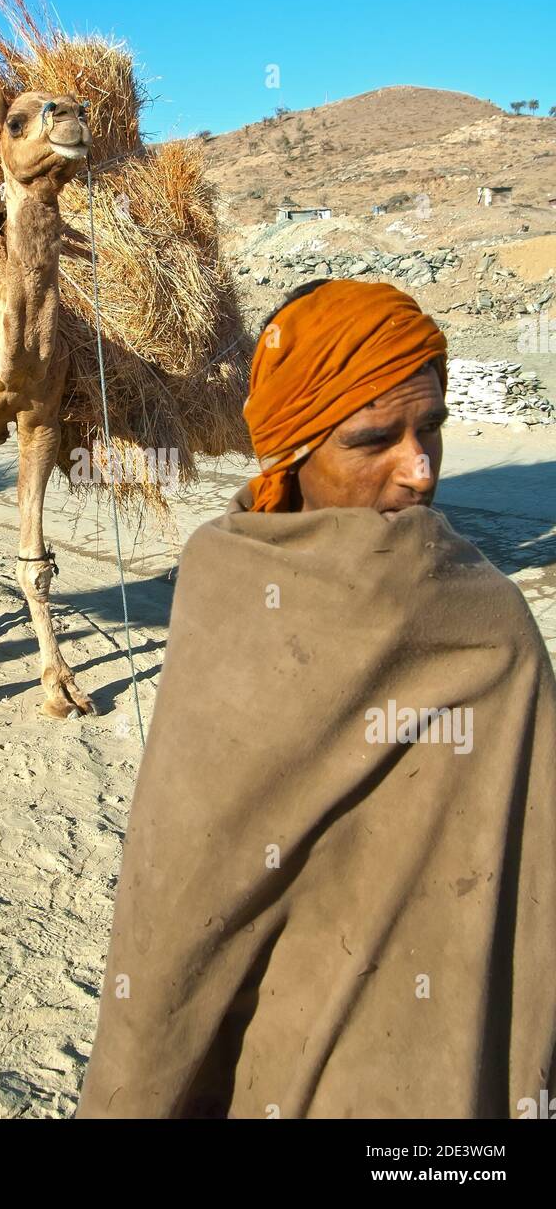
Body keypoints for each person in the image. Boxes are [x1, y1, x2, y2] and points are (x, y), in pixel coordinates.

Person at [76, 278, 556, 1120]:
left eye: (432, 428)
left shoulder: (487, 626)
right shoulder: (227, 587)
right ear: (293, 449)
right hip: (273, 1055)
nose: (420, 469)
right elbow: (178, 908)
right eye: (375, 439)